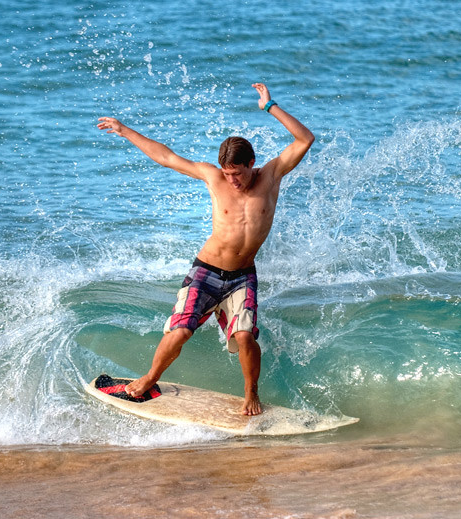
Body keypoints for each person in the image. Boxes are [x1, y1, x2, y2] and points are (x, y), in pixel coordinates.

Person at [96, 83, 314, 415]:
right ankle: (148, 380)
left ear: (251, 164)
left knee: (244, 337)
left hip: (242, 277)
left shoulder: (271, 175)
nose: (232, 181)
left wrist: (269, 107)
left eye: (238, 174)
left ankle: (251, 395)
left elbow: (305, 139)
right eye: (227, 174)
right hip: (207, 271)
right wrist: (125, 131)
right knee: (181, 330)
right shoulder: (214, 177)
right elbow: (166, 156)